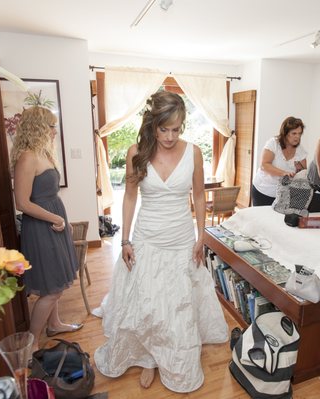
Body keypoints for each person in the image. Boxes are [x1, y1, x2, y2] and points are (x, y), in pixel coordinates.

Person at [93, 91, 228, 392]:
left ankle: (173, 357)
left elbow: (197, 197)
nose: (169, 136)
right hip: (147, 239)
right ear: (152, 124)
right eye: (163, 128)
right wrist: (125, 240)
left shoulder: (193, 153)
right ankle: (147, 357)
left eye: (176, 129)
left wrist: (201, 236)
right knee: (148, 304)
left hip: (181, 239)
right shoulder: (135, 153)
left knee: (177, 307)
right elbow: (129, 197)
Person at [10, 106, 82, 353]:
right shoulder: (27, 157)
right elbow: (22, 202)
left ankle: (55, 323)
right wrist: (54, 217)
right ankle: (32, 343)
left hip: (54, 222)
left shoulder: (43, 153)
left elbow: (49, 195)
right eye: (51, 126)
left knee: (56, 282)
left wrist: (63, 219)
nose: (54, 131)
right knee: (52, 289)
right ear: (38, 127)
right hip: (41, 227)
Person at [251, 116, 307, 206]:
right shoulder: (273, 143)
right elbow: (264, 165)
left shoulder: (301, 151)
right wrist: (284, 173)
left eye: (300, 134)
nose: (297, 137)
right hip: (263, 190)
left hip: (282, 194)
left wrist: (299, 172)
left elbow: (302, 174)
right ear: (285, 133)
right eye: (294, 133)